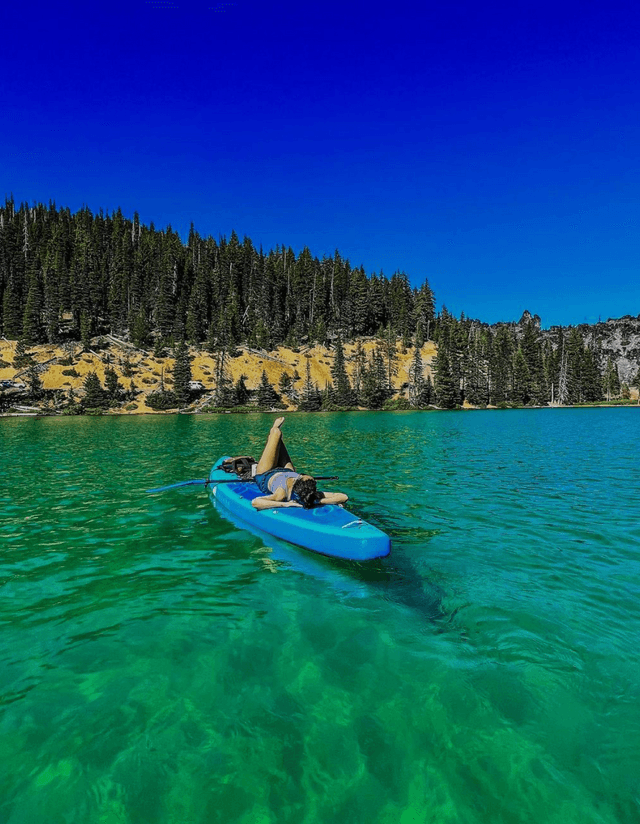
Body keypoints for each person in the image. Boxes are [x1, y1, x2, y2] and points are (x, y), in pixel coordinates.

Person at [252, 417, 348, 510]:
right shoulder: (310, 493)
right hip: (287, 470)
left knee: (276, 434)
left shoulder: (281, 494)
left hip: (266, 474)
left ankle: (274, 428)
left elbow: (256, 502)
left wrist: (286, 505)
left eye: (302, 476)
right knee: (277, 442)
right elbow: (343, 496)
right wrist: (317, 500)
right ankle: (274, 440)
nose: (303, 474)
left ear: (297, 481)